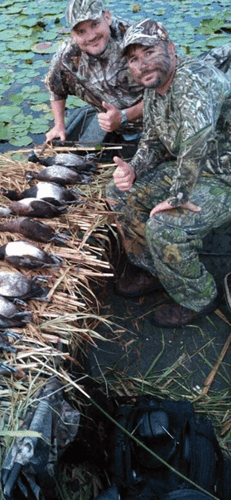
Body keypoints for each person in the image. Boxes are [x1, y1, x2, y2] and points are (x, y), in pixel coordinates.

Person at [105, 18, 231, 328]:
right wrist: (133, 170)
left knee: (164, 226)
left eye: (148, 52)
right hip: (188, 168)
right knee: (118, 194)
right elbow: (151, 141)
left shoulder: (193, 79)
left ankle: (198, 296)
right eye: (134, 59)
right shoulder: (154, 88)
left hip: (223, 178)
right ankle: (158, 269)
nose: (141, 64)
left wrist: (177, 196)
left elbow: (196, 140)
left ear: (171, 49)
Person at [44, 0, 144, 143]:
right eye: (81, 31)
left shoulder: (136, 41)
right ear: (73, 34)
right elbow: (55, 89)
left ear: (107, 17)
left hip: (158, 122)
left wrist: (124, 116)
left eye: (95, 24)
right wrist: (59, 125)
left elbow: (167, 91)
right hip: (115, 127)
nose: (91, 36)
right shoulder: (67, 56)